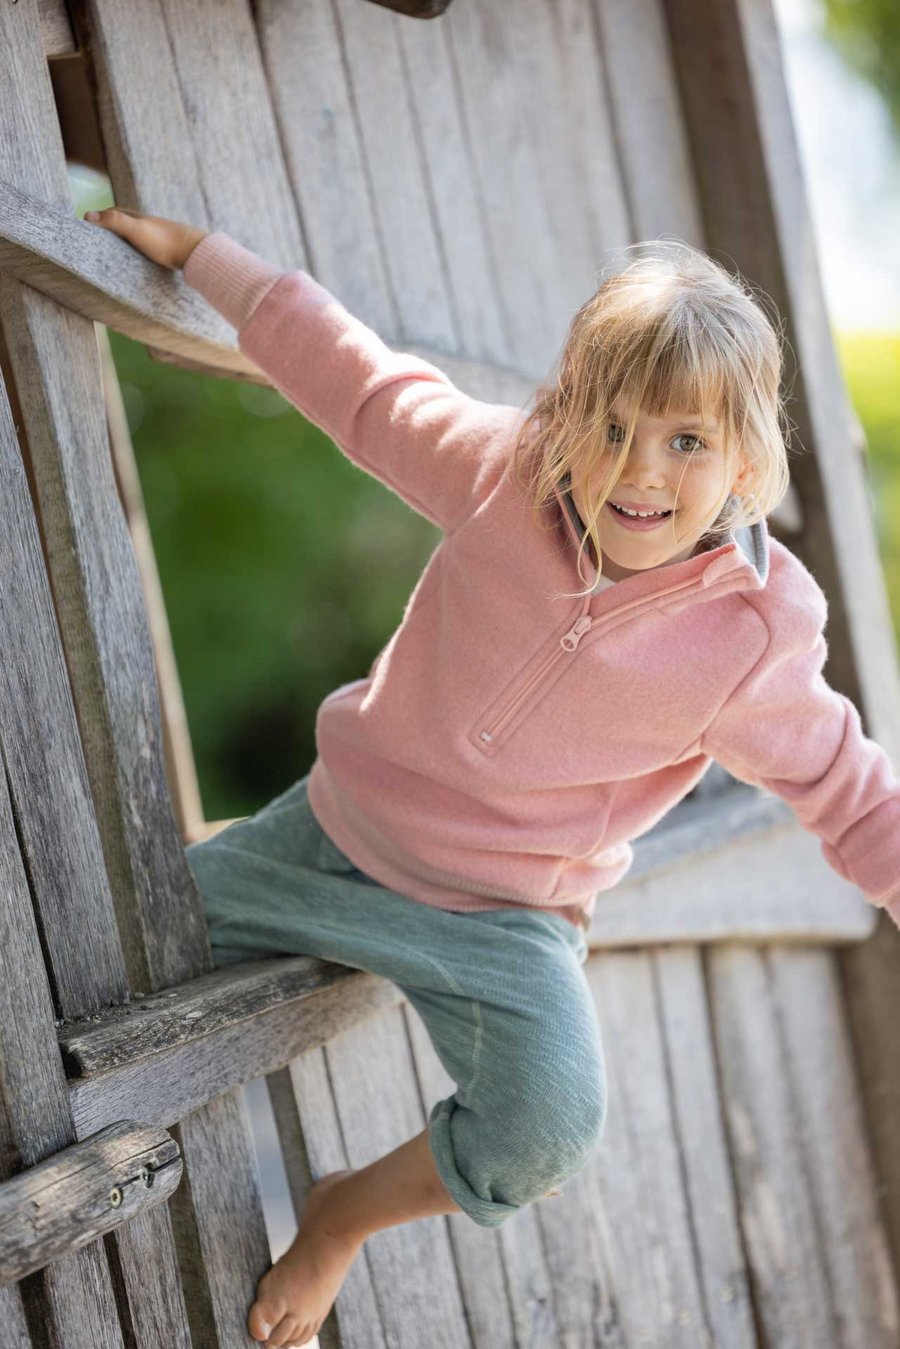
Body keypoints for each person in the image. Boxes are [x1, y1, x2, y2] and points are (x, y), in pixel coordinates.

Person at [85, 206, 900, 1349]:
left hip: (503, 917)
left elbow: (856, 792)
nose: (639, 469)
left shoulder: (755, 639)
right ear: (567, 415)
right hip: (329, 835)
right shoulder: (504, 474)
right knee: (95, 953)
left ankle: (339, 1215)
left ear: (746, 462)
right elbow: (364, 389)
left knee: (549, 1123)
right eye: (613, 425)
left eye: (686, 441)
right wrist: (213, 264)